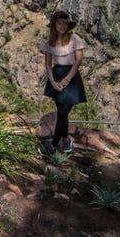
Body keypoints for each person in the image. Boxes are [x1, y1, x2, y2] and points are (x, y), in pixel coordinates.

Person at [39, 10, 86, 156]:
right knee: (61, 113)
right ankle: (65, 139)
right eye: (60, 23)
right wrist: (52, 81)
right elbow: (48, 63)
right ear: (54, 25)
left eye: (65, 24)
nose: (63, 27)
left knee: (63, 112)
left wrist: (67, 79)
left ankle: (53, 144)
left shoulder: (74, 39)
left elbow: (78, 60)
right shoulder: (49, 43)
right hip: (57, 74)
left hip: (71, 76)